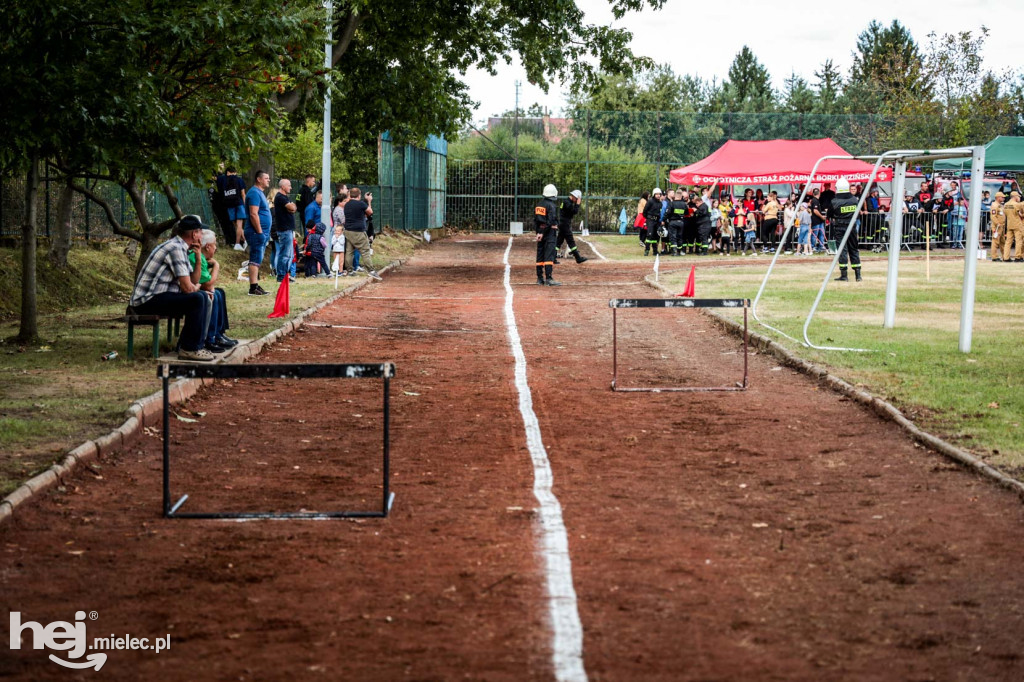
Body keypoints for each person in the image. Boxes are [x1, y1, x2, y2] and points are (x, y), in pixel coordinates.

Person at [128, 216, 214, 361]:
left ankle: (194, 346)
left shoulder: (182, 248)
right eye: (200, 232)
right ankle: (189, 348)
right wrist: (197, 291)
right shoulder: (175, 248)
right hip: (145, 301)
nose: (202, 236)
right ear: (194, 234)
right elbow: (188, 288)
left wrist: (198, 257)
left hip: (159, 296)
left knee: (200, 297)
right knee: (198, 298)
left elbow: (194, 280)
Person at [188, 229, 237, 352]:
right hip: (189, 293)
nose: (216, 248)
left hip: (196, 290)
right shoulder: (195, 257)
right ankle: (210, 338)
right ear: (208, 246)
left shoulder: (202, 259)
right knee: (215, 294)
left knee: (220, 292)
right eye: (215, 245)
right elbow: (208, 285)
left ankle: (219, 334)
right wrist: (216, 266)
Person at [244, 170, 272, 295]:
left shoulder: (259, 193)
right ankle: (253, 287)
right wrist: (260, 232)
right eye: (266, 178)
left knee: (258, 258)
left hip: (261, 233)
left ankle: (255, 285)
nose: (268, 180)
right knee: (255, 257)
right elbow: (253, 213)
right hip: (256, 232)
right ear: (258, 179)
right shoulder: (254, 193)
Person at [342, 187, 380, 279]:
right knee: (365, 251)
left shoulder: (346, 205)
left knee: (349, 251)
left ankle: (350, 270)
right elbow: (370, 212)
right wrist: (369, 201)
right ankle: (370, 270)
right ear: (359, 195)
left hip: (348, 231)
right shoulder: (361, 204)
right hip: (358, 231)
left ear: (350, 195)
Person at [828, 178, 861, 281]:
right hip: (852, 227)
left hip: (840, 228)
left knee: (842, 250)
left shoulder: (834, 201)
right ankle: (858, 275)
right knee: (854, 249)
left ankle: (844, 275)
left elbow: (829, 214)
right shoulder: (854, 200)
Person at [535, 183, 561, 285]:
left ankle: (539, 278)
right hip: (549, 233)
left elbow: (537, 220)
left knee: (540, 255)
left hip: (540, 233)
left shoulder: (539, 205)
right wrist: (554, 225)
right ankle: (549, 278)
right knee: (549, 255)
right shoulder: (551, 205)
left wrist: (539, 232)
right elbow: (551, 220)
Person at [272, 178, 298, 282]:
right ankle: (281, 276)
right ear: (283, 186)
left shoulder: (284, 197)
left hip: (288, 229)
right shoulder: (280, 197)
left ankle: (284, 276)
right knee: (285, 254)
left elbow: (293, 207)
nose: (291, 188)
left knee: (289, 254)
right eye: (289, 185)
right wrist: (292, 207)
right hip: (284, 229)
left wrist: (292, 207)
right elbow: (292, 208)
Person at [216, 167, 247, 250]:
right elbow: (243, 194)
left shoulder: (222, 180)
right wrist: (245, 205)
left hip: (229, 204)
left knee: (236, 225)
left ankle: (245, 240)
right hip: (239, 203)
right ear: (234, 172)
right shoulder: (239, 180)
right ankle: (237, 244)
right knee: (239, 224)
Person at [555, 189, 588, 264]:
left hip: (563, 223)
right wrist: (578, 204)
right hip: (565, 224)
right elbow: (574, 211)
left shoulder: (567, 202)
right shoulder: (567, 203)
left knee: (559, 240)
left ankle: (552, 257)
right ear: (574, 197)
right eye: (577, 199)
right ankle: (578, 258)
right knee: (570, 240)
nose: (576, 201)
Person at [1003, 190, 1024, 262]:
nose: (1019, 198)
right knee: (1019, 241)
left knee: (1008, 242)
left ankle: (1006, 257)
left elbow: (1005, 214)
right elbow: (1020, 214)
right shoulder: (1017, 205)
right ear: (1015, 197)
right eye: (1018, 196)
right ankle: (1017, 257)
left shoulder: (1005, 204)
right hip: (1017, 225)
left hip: (1009, 225)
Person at [665, 190, 687, 256]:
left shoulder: (672, 203)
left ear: (675, 196)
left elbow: (667, 213)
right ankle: (679, 251)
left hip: (673, 222)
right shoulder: (684, 204)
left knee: (673, 237)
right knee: (679, 237)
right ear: (681, 196)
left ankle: (674, 251)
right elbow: (687, 213)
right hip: (681, 222)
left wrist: (664, 219)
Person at [642, 188, 664, 256]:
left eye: (659, 194)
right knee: (650, 235)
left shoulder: (660, 203)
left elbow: (660, 212)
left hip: (657, 221)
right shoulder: (650, 201)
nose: (658, 195)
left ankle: (655, 251)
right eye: (656, 194)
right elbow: (645, 211)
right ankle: (647, 250)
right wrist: (648, 218)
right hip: (650, 220)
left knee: (656, 236)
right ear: (654, 194)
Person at [990, 192, 1007, 261]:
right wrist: (997, 223)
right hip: (997, 226)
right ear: (998, 197)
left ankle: (1005, 256)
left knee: (1002, 242)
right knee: (995, 241)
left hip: (1002, 226)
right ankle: (994, 257)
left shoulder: (1000, 205)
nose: (1003, 198)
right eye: (1002, 197)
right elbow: (993, 216)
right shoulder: (994, 205)